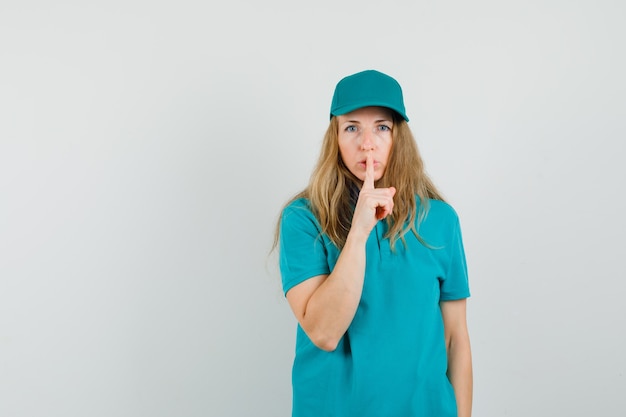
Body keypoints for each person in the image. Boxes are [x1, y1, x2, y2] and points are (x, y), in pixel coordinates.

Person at [273, 69, 472, 417]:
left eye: (382, 127)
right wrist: (359, 231)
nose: (367, 143)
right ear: (334, 136)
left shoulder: (440, 220)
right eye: (352, 128)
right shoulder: (302, 218)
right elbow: (324, 332)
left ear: (399, 137)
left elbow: (456, 338)